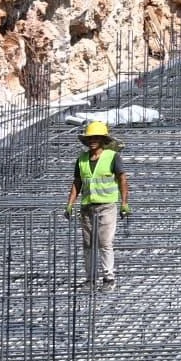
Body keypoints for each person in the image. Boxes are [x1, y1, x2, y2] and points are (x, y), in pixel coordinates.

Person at [64, 117, 130, 287]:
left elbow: (122, 179)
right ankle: (90, 279)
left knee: (105, 242)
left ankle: (109, 277)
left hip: (107, 206)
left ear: (102, 140)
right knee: (88, 244)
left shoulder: (112, 157)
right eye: (90, 139)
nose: (92, 141)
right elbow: (77, 182)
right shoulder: (82, 159)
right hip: (87, 207)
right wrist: (70, 203)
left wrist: (124, 203)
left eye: (96, 138)